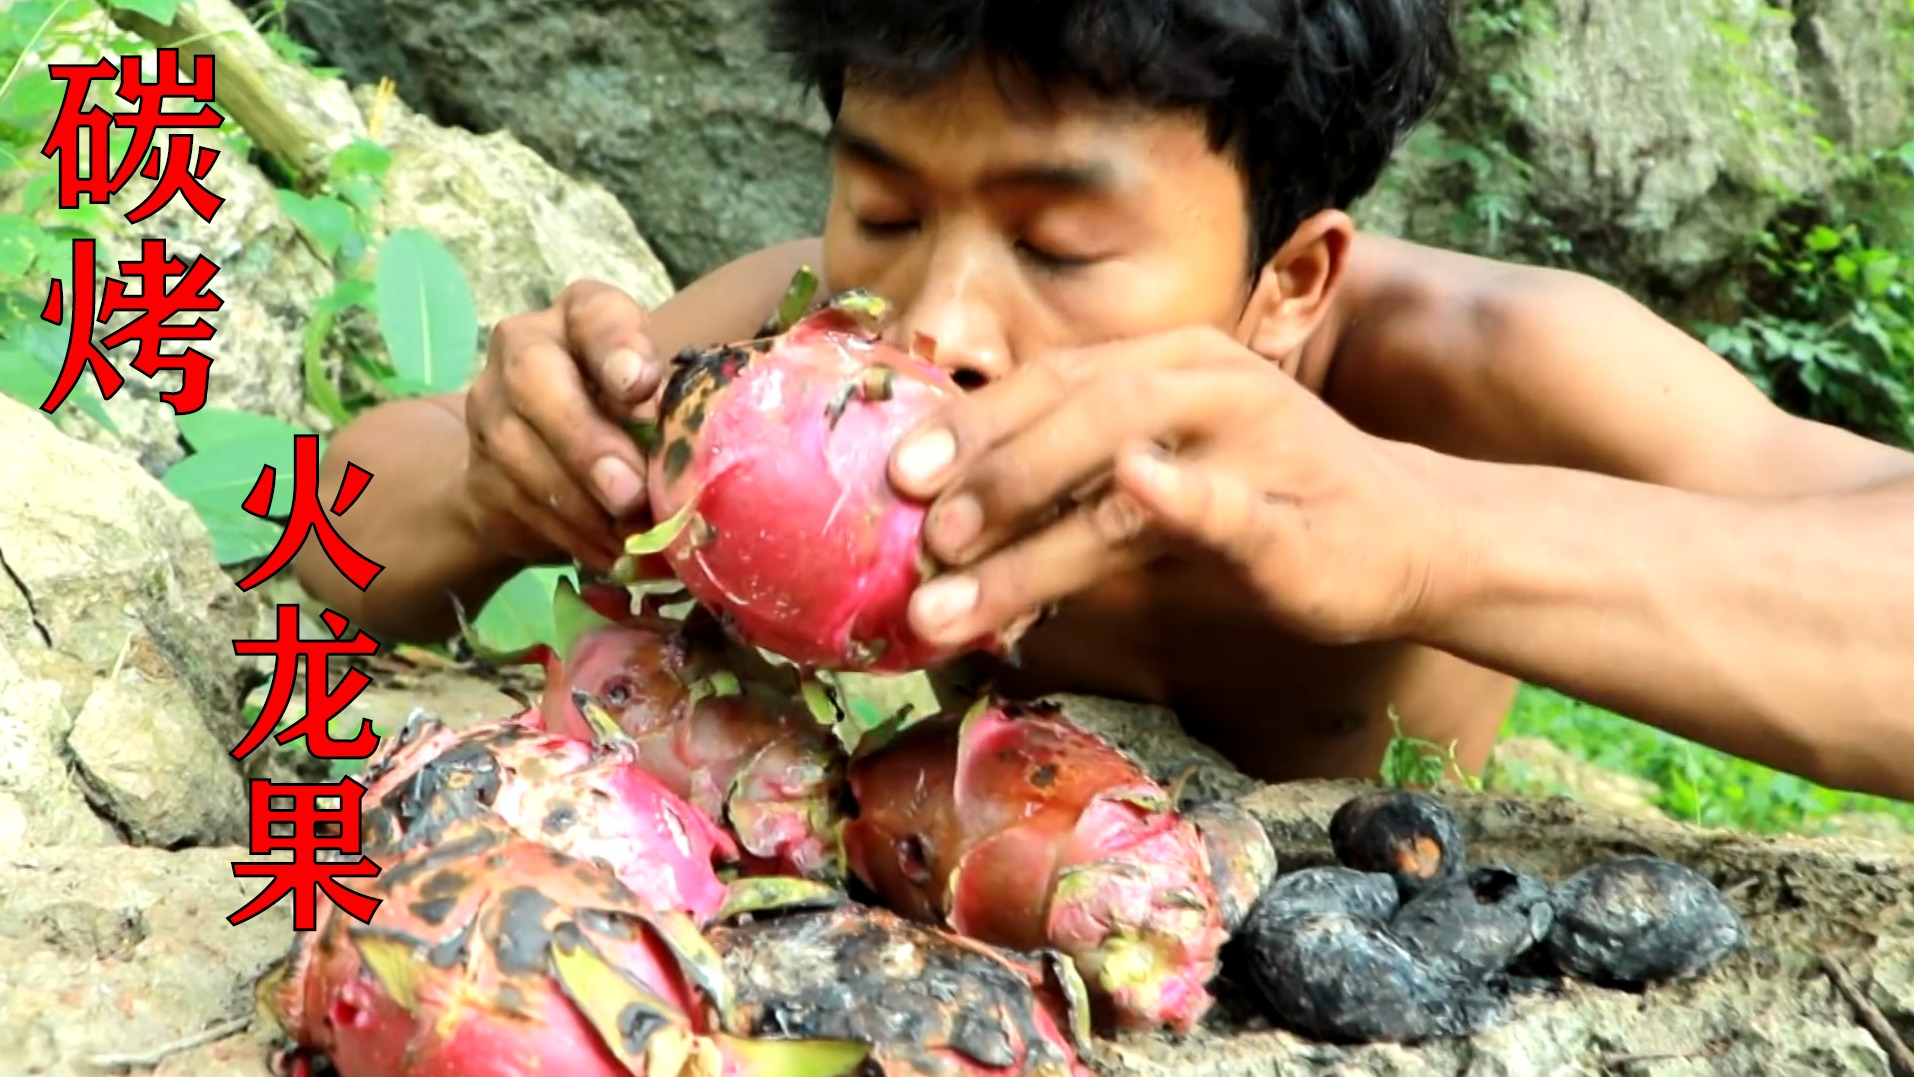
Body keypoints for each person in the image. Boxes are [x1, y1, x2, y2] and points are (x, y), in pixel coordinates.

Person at [295, 0, 1914, 800]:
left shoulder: (1472, 368)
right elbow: (319, 523)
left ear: (1292, 282)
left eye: (1060, 244)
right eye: (884, 206)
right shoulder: (799, 324)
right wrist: (499, 473)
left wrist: (1421, 532)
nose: (935, 322)